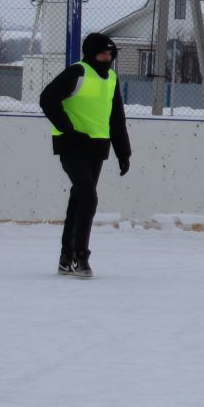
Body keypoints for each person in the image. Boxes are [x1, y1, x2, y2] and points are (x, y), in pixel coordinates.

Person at [37, 31, 132, 278]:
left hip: (98, 147)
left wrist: (123, 152)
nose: (108, 56)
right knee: (88, 197)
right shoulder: (77, 72)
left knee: (79, 199)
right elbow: (47, 99)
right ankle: (81, 256)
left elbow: (116, 117)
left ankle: (66, 257)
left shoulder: (111, 78)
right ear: (91, 53)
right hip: (72, 146)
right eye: (103, 52)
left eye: (111, 53)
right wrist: (68, 130)